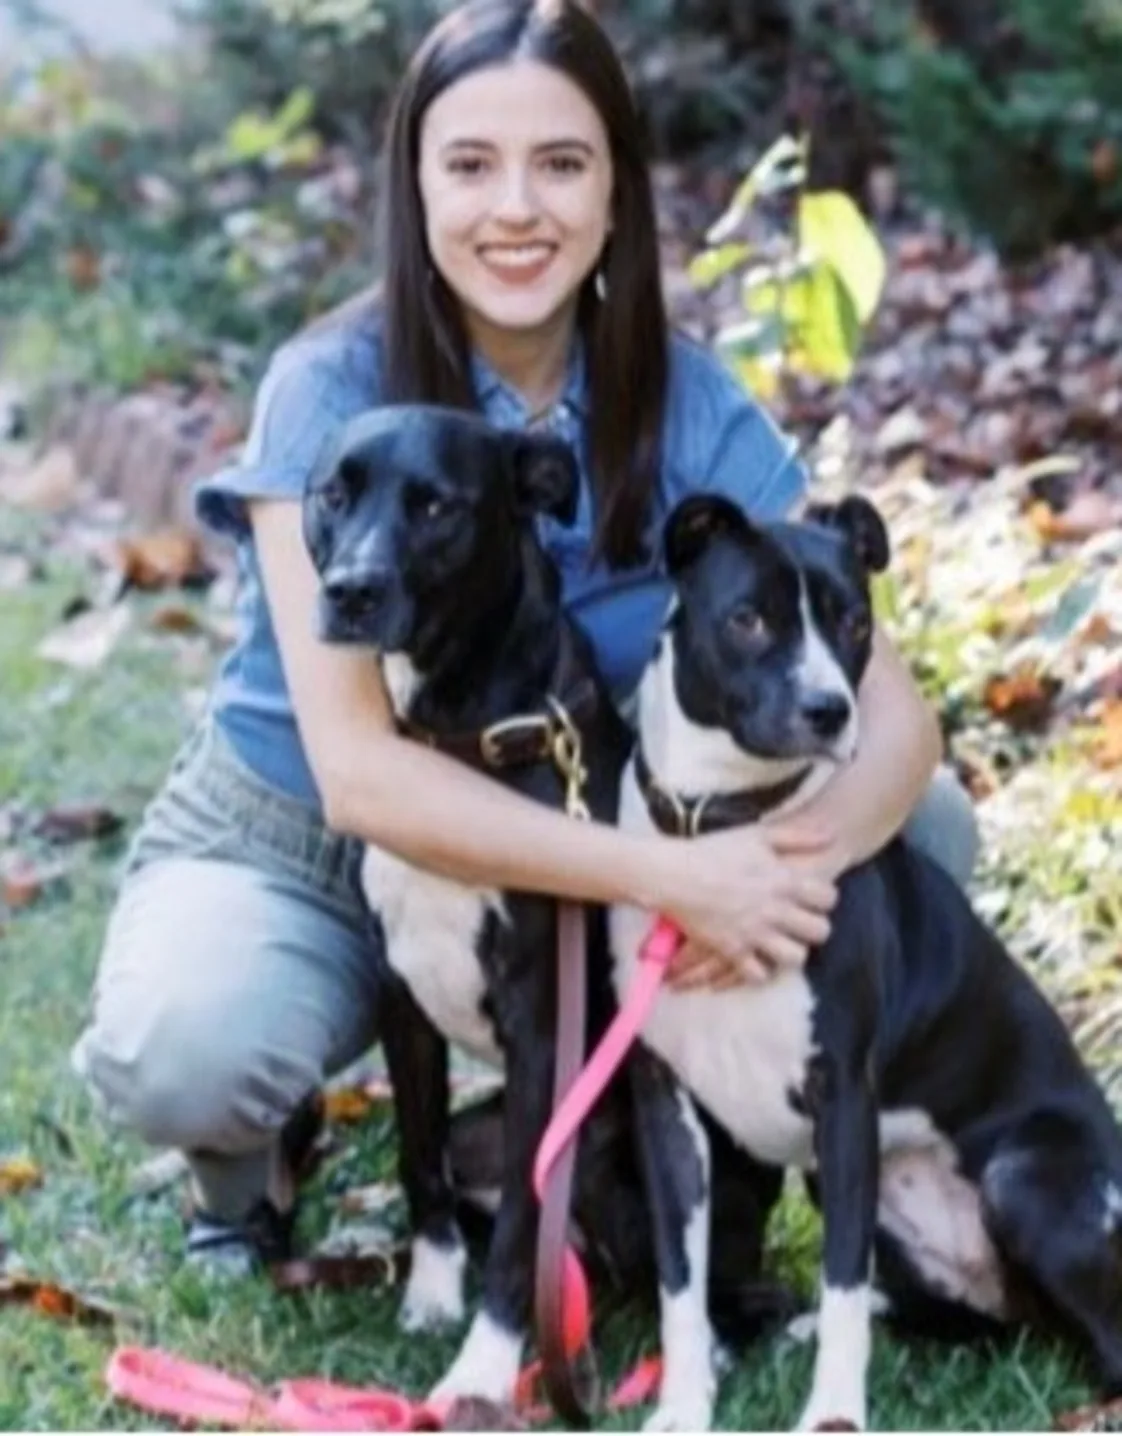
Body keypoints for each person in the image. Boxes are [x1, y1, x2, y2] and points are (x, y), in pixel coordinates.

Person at [71, 0, 978, 1275]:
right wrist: (670, 880)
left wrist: (772, 868)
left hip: (567, 828)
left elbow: (897, 718)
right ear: (416, 186)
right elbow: (360, 769)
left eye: (561, 163)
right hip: (312, 834)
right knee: (190, 1041)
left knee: (923, 824)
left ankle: (539, 1132)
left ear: (616, 192)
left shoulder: (689, 403)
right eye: (471, 164)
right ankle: (251, 1156)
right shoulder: (329, 384)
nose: (517, 209)